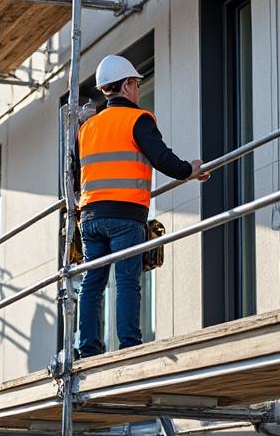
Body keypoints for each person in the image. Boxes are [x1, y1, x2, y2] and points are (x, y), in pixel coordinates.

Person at [74, 55, 209, 358]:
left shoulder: (88, 128)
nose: (137, 89)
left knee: (92, 283)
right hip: (125, 215)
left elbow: (76, 172)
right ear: (126, 85)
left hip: (91, 216)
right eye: (135, 84)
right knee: (126, 282)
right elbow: (163, 159)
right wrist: (190, 170)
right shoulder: (138, 119)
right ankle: (130, 347)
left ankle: (88, 349)